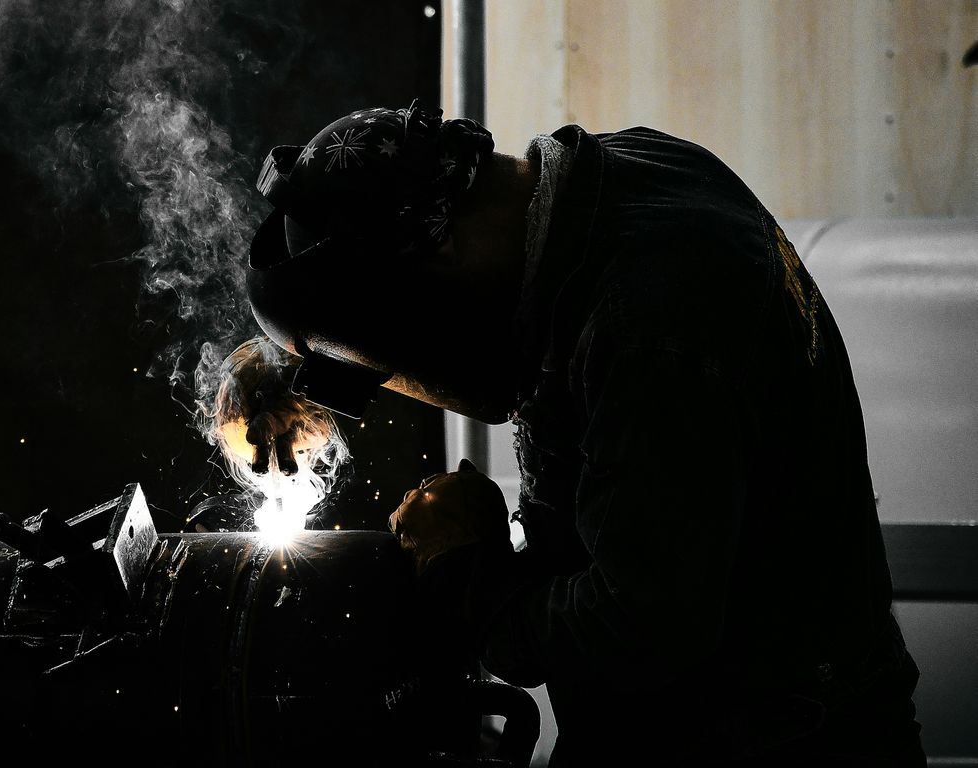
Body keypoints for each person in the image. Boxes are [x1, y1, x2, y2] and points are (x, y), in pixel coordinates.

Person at [226, 102, 925, 766]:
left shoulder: (647, 329)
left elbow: (638, 631)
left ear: (434, 266)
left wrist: (462, 569)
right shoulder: (640, 174)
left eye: (398, 363)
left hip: (776, 743)